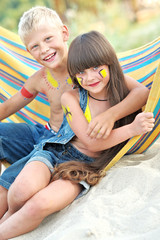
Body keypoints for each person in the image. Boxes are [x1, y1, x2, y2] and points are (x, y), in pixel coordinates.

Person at [0, 30, 154, 239]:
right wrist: (132, 129)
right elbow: (91, 143)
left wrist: (110, 115)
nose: (89, 77)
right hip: (55, 151)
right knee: (18, 193)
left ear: (109, 63)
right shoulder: (70, 97)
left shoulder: (120, 84)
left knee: (39, 204)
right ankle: (8, 218)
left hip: (84, 166)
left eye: (96, 68)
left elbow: (143, 93)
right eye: (80, 72)